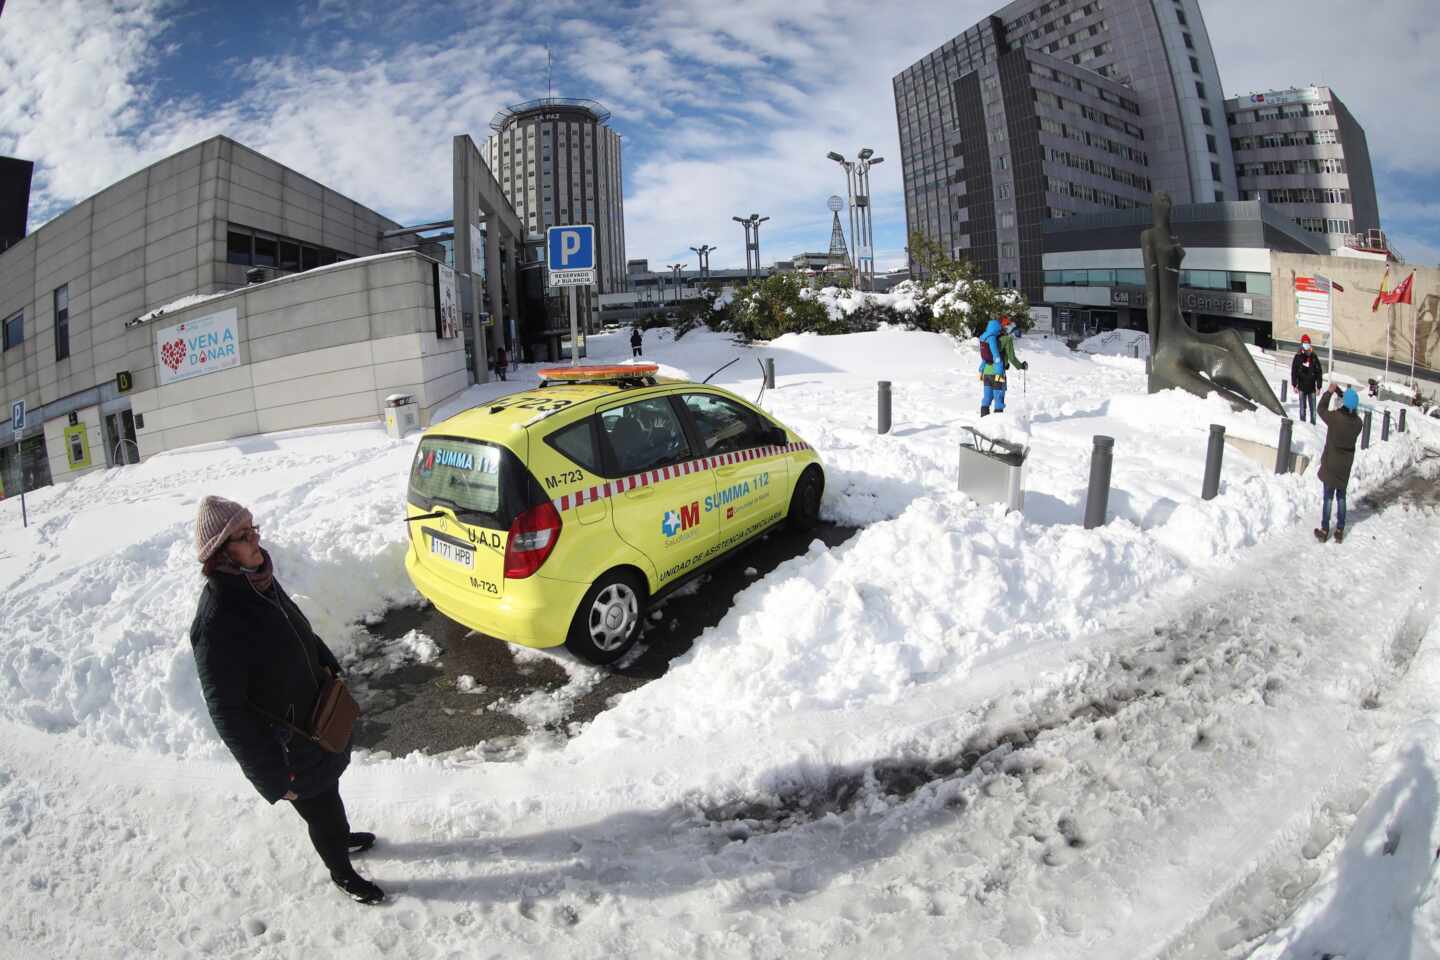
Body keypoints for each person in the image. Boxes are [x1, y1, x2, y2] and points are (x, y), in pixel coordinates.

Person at [188, 496, 384, 905]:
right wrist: (272, 777)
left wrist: (326, 663)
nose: (255, 539)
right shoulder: (217, 618)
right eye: (243, 536)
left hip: (314, 717)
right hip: (287, 743)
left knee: (327, 793)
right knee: (320, 808)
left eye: (252, 528)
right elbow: (226, 711)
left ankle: (339, 836)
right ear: (220, 552)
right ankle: (341, 873)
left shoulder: (257, 578)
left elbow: (296, 630)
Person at [1315, 385, 1362, 544]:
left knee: (1328, 497)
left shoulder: (1335, 418)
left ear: (1344, 402)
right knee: (1341, 497)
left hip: (1331, 464)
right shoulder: (1358, 424)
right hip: (1344, 467)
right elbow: (1350, 410)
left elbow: (1320, 409)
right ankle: (1340, 529)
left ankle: (1324, 529)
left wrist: (1329, 392)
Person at [978, 317, 1021, 416]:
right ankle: (998, 426)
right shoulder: (1006, 339)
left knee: (986, 398)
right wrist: (1021, 366)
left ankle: (984, 422)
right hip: (998, 373)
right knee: (999, 398)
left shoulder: (986, 337)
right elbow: (1011, 358)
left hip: (986, 372)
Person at [1290, 334, 1324, 424]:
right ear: (1301, 344)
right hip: (1301, 387)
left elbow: (1319, 372)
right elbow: (1294, 371)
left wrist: (1319, 386)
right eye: (1304, 343)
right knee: (1302, 408)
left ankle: (1313, 426)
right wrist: (1294, 384)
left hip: (1312, 388)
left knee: (1313, 409)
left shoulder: (1314, 357)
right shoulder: (1298, 357)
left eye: (1307, 343)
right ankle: (1302, 425)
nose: (1306, 344)